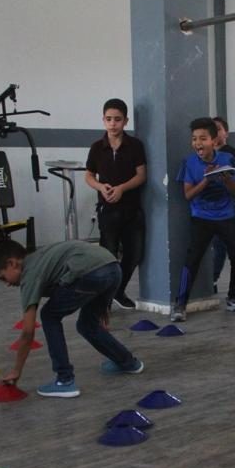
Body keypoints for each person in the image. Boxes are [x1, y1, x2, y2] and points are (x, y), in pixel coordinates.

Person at [0, 239, 144, 398]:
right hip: (113, 268)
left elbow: (28, 332)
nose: (6, 284)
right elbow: (97, 266)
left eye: (3, 278)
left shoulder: (30, 274)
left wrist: (16, 371)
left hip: (91, 273)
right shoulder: (41, 257)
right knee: (87, 325)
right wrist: (101, 304)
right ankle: (128, 363)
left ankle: (64, 380)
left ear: (12, 263)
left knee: (49, 316)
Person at [171, 117, 235, 321]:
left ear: (214, 140)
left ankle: (234, 297)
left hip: (225, 215)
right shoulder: (189, 163)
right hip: (201, 217)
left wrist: (225, 180)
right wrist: (206, 180)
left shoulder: (226, 159)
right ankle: (180, 304)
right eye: (194, 139)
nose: (198, 143)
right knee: (193, 259)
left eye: (203, 138)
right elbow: (188, 195)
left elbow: (234, 192)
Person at [84, 98, 147, 310]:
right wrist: (101, 187)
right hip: (107, 209)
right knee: (108, 255)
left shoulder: (135, 145)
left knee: (135, 253)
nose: (113, 124)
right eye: (109, 119)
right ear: (103, 120)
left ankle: (118, 291)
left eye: (117, 120)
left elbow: (141, 176)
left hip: (132, 209)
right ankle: (104, 299)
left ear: (125, 121)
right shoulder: (96, 147)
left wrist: (122, 188)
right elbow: (89, 176)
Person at [210, 116, 235, 290]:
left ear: (226, 133)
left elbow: (232, 180)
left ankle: (215, 279)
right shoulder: (205, 153)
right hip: (211, 204)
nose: (215, 132)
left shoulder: (230, 152)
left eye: (219, 129)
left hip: (228, 202)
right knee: (220, 241)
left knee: (223, 241)